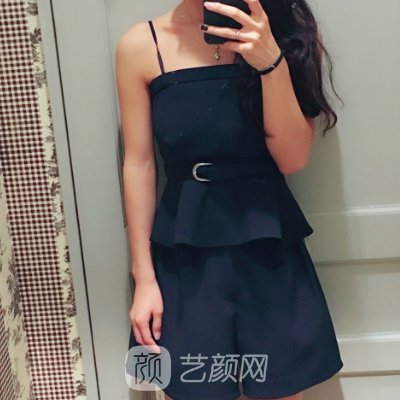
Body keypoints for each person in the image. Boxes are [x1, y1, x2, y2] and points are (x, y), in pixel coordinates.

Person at [115, 0, 344, 399]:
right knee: (187, 388)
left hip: (271, 253)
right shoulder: (140, 44)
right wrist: (144, 280)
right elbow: (139, 164)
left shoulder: (286, 31)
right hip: (185, 260)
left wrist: (271, 63)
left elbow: (293, 159)